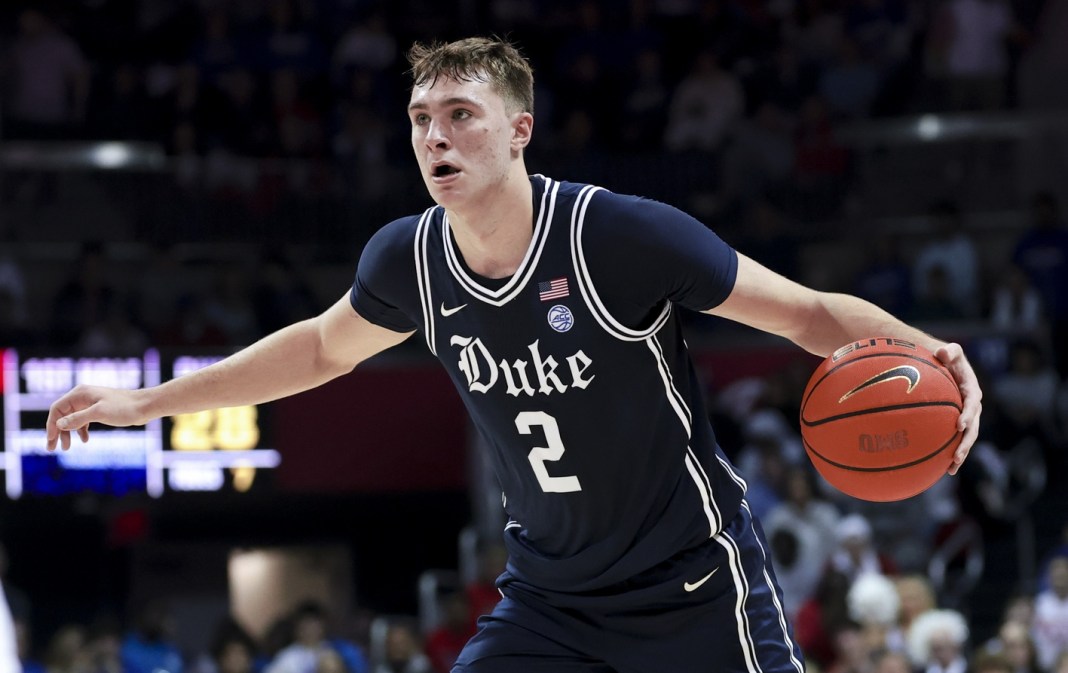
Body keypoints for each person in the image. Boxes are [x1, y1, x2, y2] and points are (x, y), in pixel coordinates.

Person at [46, 37, 984, 673]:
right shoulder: (407, 256)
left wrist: (931, 352)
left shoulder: (615, 235)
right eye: (420, 119)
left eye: (459, 114)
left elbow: (811, 314)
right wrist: (146, 402)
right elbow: (319, 350)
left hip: (690, 582)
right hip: (550, 597)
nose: (434, 136)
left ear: (519, 130)